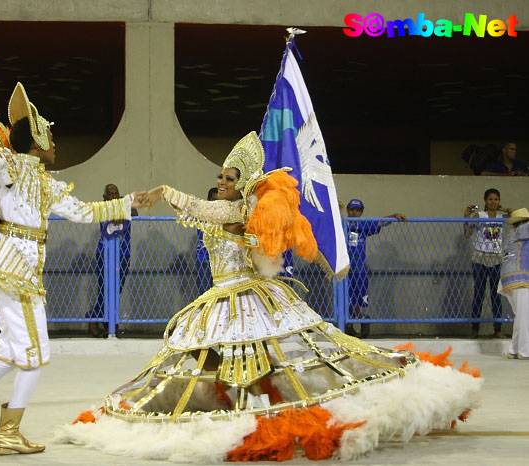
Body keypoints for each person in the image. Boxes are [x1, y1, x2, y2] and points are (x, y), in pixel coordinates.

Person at [59, 132, 481, 462]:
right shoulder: (236, 210)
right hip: (219, 300)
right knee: (209, 361)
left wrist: (166, 190)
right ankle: (236, 413)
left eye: (229, 178)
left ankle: (259, 419)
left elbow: (205, 211)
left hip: (249, 299)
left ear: (242, 186)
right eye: (220, 177)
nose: (221, 182)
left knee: (264, 361)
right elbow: (202, 214)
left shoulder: (240, 211)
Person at [0, 83, 145, 455]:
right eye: (51, 136)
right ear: (38, 139)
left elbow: (85, 212)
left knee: (12, 352)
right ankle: (7, 434)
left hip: (19, 271)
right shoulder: (11, 167)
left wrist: (129, 203)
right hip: (13, 268)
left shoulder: (47, 183)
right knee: (36, 355)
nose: (55, 143)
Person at [344, 199, 407, 337]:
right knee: (345, 299)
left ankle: (357, 321)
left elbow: (381, 222)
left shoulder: (363, 225)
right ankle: (352, 324)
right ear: (347, 210)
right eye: (352, 209)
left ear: (361, 212)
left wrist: (394, 215)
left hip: (359, 269)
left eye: (357, 210)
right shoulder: (341, 225)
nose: (354, 213)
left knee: (357, 299)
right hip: (343, 270)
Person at [87, 183, 138, 338]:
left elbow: (135, 212)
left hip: (123, 255)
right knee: (105, 290)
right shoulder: (102, 208)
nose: (114, 196)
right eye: (110, 194)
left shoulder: (123, 203)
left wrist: (122, 207)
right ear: (104, 197)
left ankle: (104, 320)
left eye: (116, 193)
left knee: (117, 290)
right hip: (105, 255)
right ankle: (102, 321)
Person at [463, 189, 512, 339]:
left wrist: (504, 209)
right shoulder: (480, 216)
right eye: (490, 199)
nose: (493, 202)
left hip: (496, 258)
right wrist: (466, 217)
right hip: (480, 257)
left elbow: (521, 214)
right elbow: (467, 234)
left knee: (496, 294)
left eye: (496, 199)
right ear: (485, 200)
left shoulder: (501, 217)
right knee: (479, 293)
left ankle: (497, 328)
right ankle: (474, 329)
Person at [498, 208, 529, 359]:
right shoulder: (524, 230)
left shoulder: (511, 234)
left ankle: (513, 350)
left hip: (507, 278)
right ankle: (524, 352)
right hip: (519, 278)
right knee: (524, 316)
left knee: (520, 315)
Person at [195, 187, 219, 296]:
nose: (216, 204)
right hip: (204, 260)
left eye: (218, 201)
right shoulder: (202, 216)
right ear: (208, 200)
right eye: (213, 200)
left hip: (220, 262)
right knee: (204, 293)